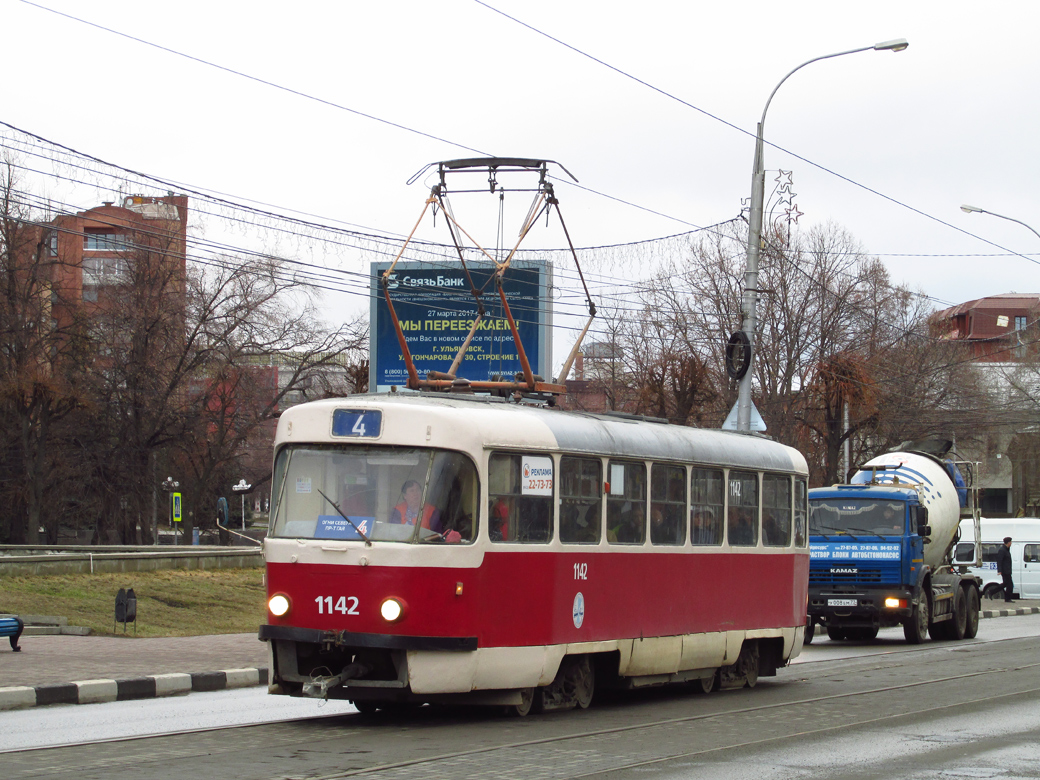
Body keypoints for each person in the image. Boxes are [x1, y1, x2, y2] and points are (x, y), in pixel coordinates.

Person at [390, 480, 461, 542]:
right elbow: (393, 534)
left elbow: (438, 535)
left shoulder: (432, 511)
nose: (416, 494)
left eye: (418, 490)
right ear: (404, 496)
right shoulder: (396, 511)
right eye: (412, 491)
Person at [996, 535, 1014, 602]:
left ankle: (992, 591)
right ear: (1008, 542)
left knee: (1006, 584)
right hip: (1005, 571)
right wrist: (1000, 570)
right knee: (1010, 585)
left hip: (1007, 570)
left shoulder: (1006, 549)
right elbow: (999, 560)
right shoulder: (1002, 550)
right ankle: (1008, 598)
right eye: (1011, 542)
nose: (1011, 543)